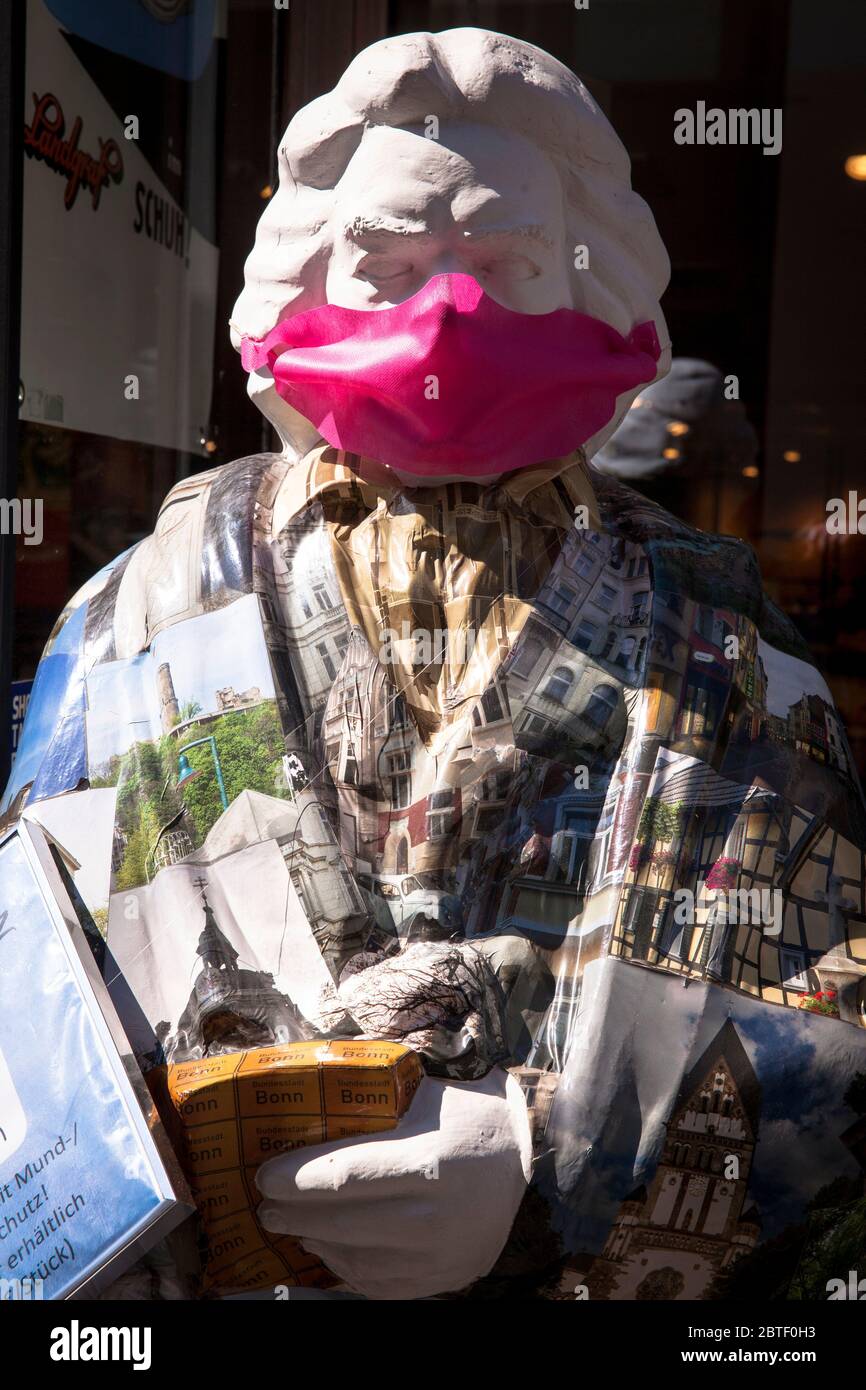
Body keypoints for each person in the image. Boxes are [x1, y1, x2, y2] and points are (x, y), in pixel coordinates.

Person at [6, 28, 866, 1302]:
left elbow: (830, 1009)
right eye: (392, 262)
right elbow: (27, 975)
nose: (446, 311)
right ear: (306, 283)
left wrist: (547, 1164)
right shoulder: (146, 605)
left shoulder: (715, 632)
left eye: (504, 262)